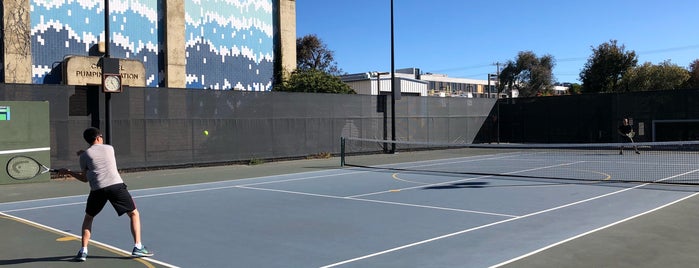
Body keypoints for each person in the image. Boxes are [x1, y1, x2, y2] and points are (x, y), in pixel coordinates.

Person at [59, 127, 154, 262]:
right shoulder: (110, 148)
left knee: (88, 218)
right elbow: (99, 154)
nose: (102, 138)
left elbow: (84, 178)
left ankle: (83, 251)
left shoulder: (84, 157)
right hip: (116, 187)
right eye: (101, 136)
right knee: (134, 214)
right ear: (98, 138)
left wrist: (69, 172)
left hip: (97, 190)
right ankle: (138, 247)